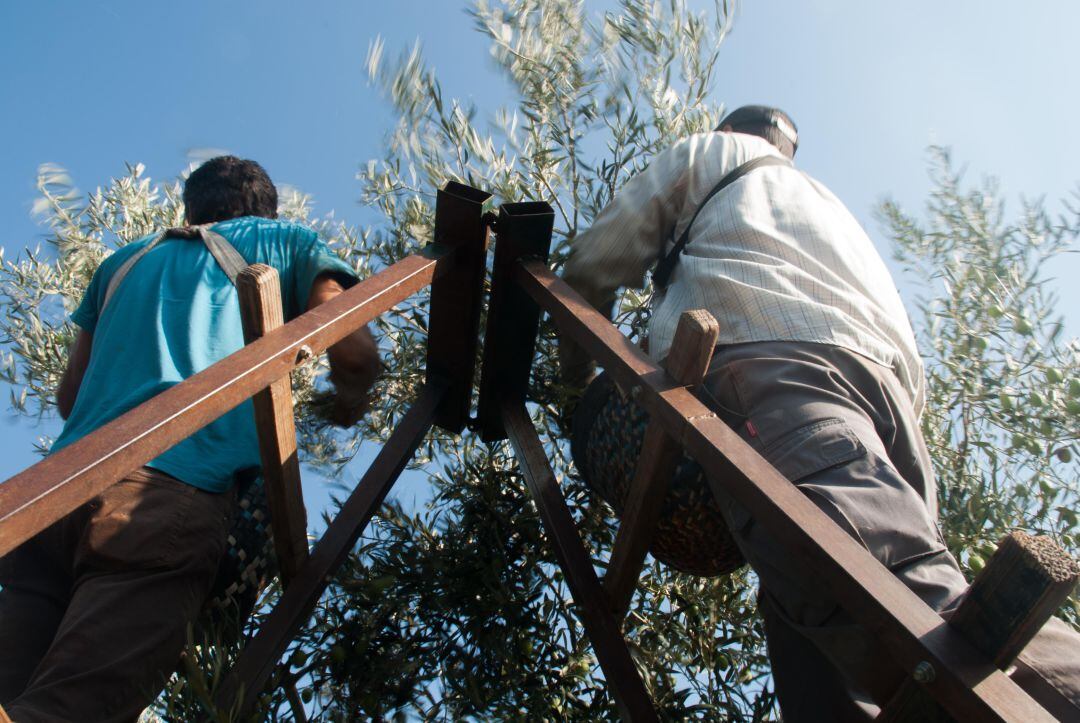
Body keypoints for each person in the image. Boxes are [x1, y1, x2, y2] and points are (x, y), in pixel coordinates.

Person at [560, 106, 1079, 719]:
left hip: (779, 370)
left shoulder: (712, 155)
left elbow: (594, 265)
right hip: (892, 410)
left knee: (922, 625)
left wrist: (581, 389)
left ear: (729, 130)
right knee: (824, 649)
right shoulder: (830, 206)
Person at [0, 156, 380, 722]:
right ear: (263, 208)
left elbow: (68, 398)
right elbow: (354, 349)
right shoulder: (281, 239)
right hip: (162, 504)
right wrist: (348, 401)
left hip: (52, 500)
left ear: (192, 209)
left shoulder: (124, 261)